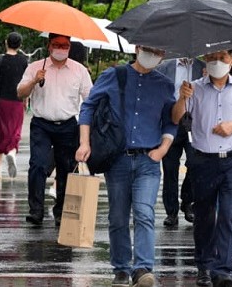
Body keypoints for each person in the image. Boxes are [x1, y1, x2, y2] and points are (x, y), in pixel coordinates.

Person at [76, 45, 177, 287]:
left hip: (148, 161)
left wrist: (162, 149)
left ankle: (142, 268)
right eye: (149, 49)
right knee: (118, 217)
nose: (154, 54)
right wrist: (84, 142)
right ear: (138, 48)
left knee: (144, 213)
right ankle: (121, 268)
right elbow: (88, 106)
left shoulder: (165, 84)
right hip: (117, 158)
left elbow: (171, 122)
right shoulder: (114, 75)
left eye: (159, 51)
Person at [172, 49, 232, 287]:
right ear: (205, 61)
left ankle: (223, 271)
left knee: (229, 215)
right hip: (203, 162)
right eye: (212, 58)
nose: (217, 62)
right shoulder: (194, 87)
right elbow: (176, 118)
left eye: (222, 58)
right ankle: (204, 265)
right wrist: (182, 97)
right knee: (204, 216)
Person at [17, 33, 93, 226]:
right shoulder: (36, 67)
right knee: (38, 165)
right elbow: (20, 93)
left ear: (70, 47)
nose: (61, 48)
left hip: (68, 124)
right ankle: (36, 210)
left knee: (66, 168)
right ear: (49, 46)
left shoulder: (79, 70)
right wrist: (34, 81)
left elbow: (90, 99)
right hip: (42, 124)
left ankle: (61, 210)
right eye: (57, 44)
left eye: (65, 45)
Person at [156, 57, 205, 227]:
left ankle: (188, 201)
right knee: (170, 168)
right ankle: (171, 211)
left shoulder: (203, 67)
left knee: (195, 163)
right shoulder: (164, 67)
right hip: (171, 120)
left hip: (195, 123)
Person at [0, 32, 28, 178]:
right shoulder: (23, 61)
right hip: (18, 100)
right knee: (15, 129)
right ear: (20, 45)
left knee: (0, 132)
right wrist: (26, 99)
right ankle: (12, 151)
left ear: (6, 42)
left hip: (1, 100)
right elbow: (26, 82)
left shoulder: (0, 60)